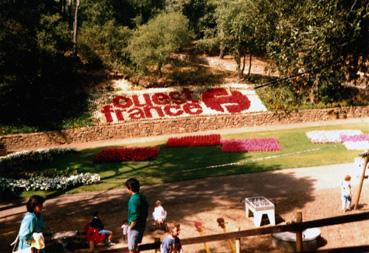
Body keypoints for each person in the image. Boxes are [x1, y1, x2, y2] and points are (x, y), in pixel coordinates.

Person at [125, 178, 149, 253]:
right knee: (135, 247)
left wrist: (130, 228)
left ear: (130, 188)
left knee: (131, 249)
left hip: (135, 227)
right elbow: (146, 207)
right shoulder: (141, 196)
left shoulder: (133, 200)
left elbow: (134, 215)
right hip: (142, 225)